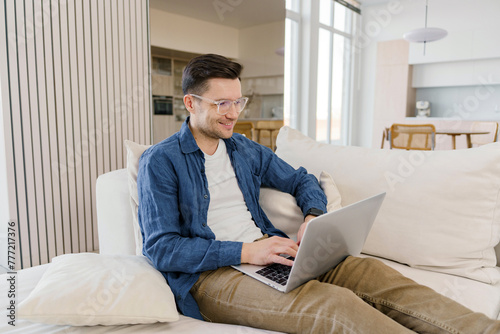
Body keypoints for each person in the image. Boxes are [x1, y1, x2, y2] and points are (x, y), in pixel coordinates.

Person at [137, 54, 500, 334]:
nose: (233, 114)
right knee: (335, 307)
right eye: (222, 104)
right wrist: (248, 251)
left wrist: (313, 216)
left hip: (274, 253)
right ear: (190, 104)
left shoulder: (243, 149)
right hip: (213, 277)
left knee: (380, 278)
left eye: (238, 102)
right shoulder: (161, 161)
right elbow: (161, 247)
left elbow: (302, 180)